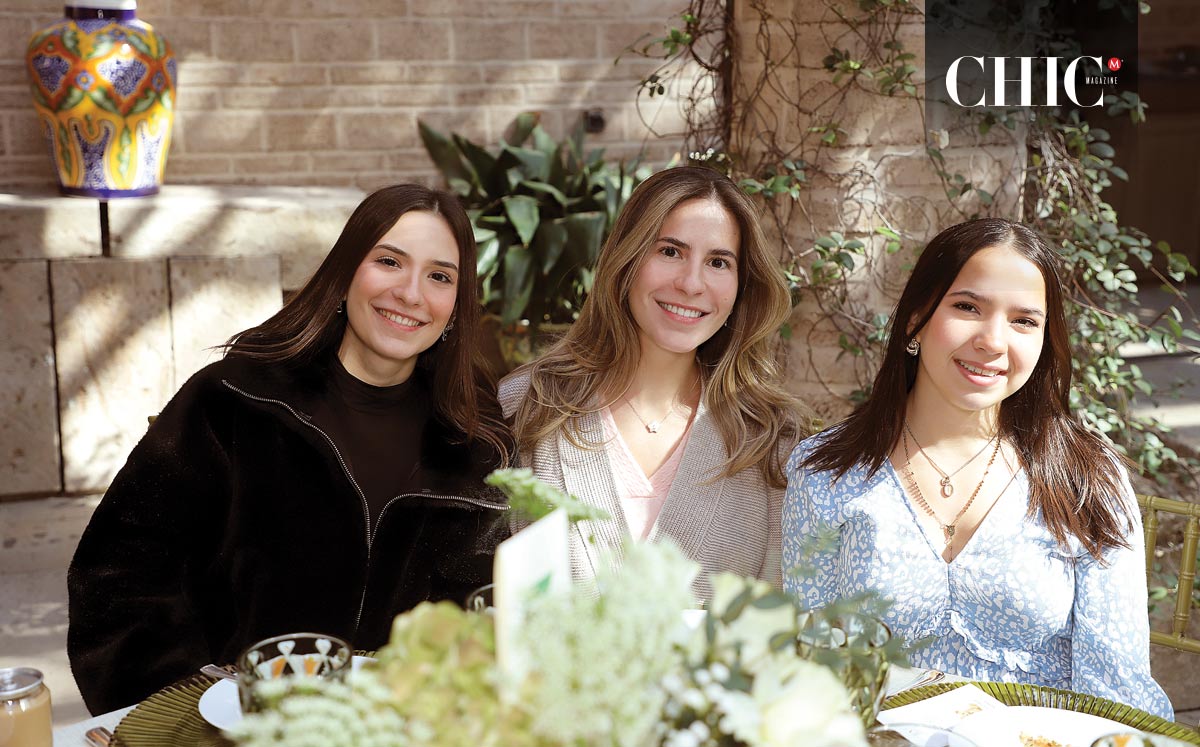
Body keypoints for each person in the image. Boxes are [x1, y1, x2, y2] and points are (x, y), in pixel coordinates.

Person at [67, 184, 513, 714]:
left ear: (457, 306)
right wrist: (190, 706)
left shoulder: (474, 443)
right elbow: (118, 581)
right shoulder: (235, 400)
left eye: (440, 276)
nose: (411, 294)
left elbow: (479, 619)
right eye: (389, 261)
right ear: (346, 270)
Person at [783, 218, 1173, 718]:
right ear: (916, 319)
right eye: (968, 307)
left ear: (1044, 341)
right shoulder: (827, 473)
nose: (992, 341)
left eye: (1024, 321)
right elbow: (811, 670)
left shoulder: (1087, 480)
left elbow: (1116, 690)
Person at [500, 165, 808, 602]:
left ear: (742, 286)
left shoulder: (771, 437)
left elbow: (778, 624)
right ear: (627, 258)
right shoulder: (527, 407)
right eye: (670, 252)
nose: (691, 284)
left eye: (718, 262)